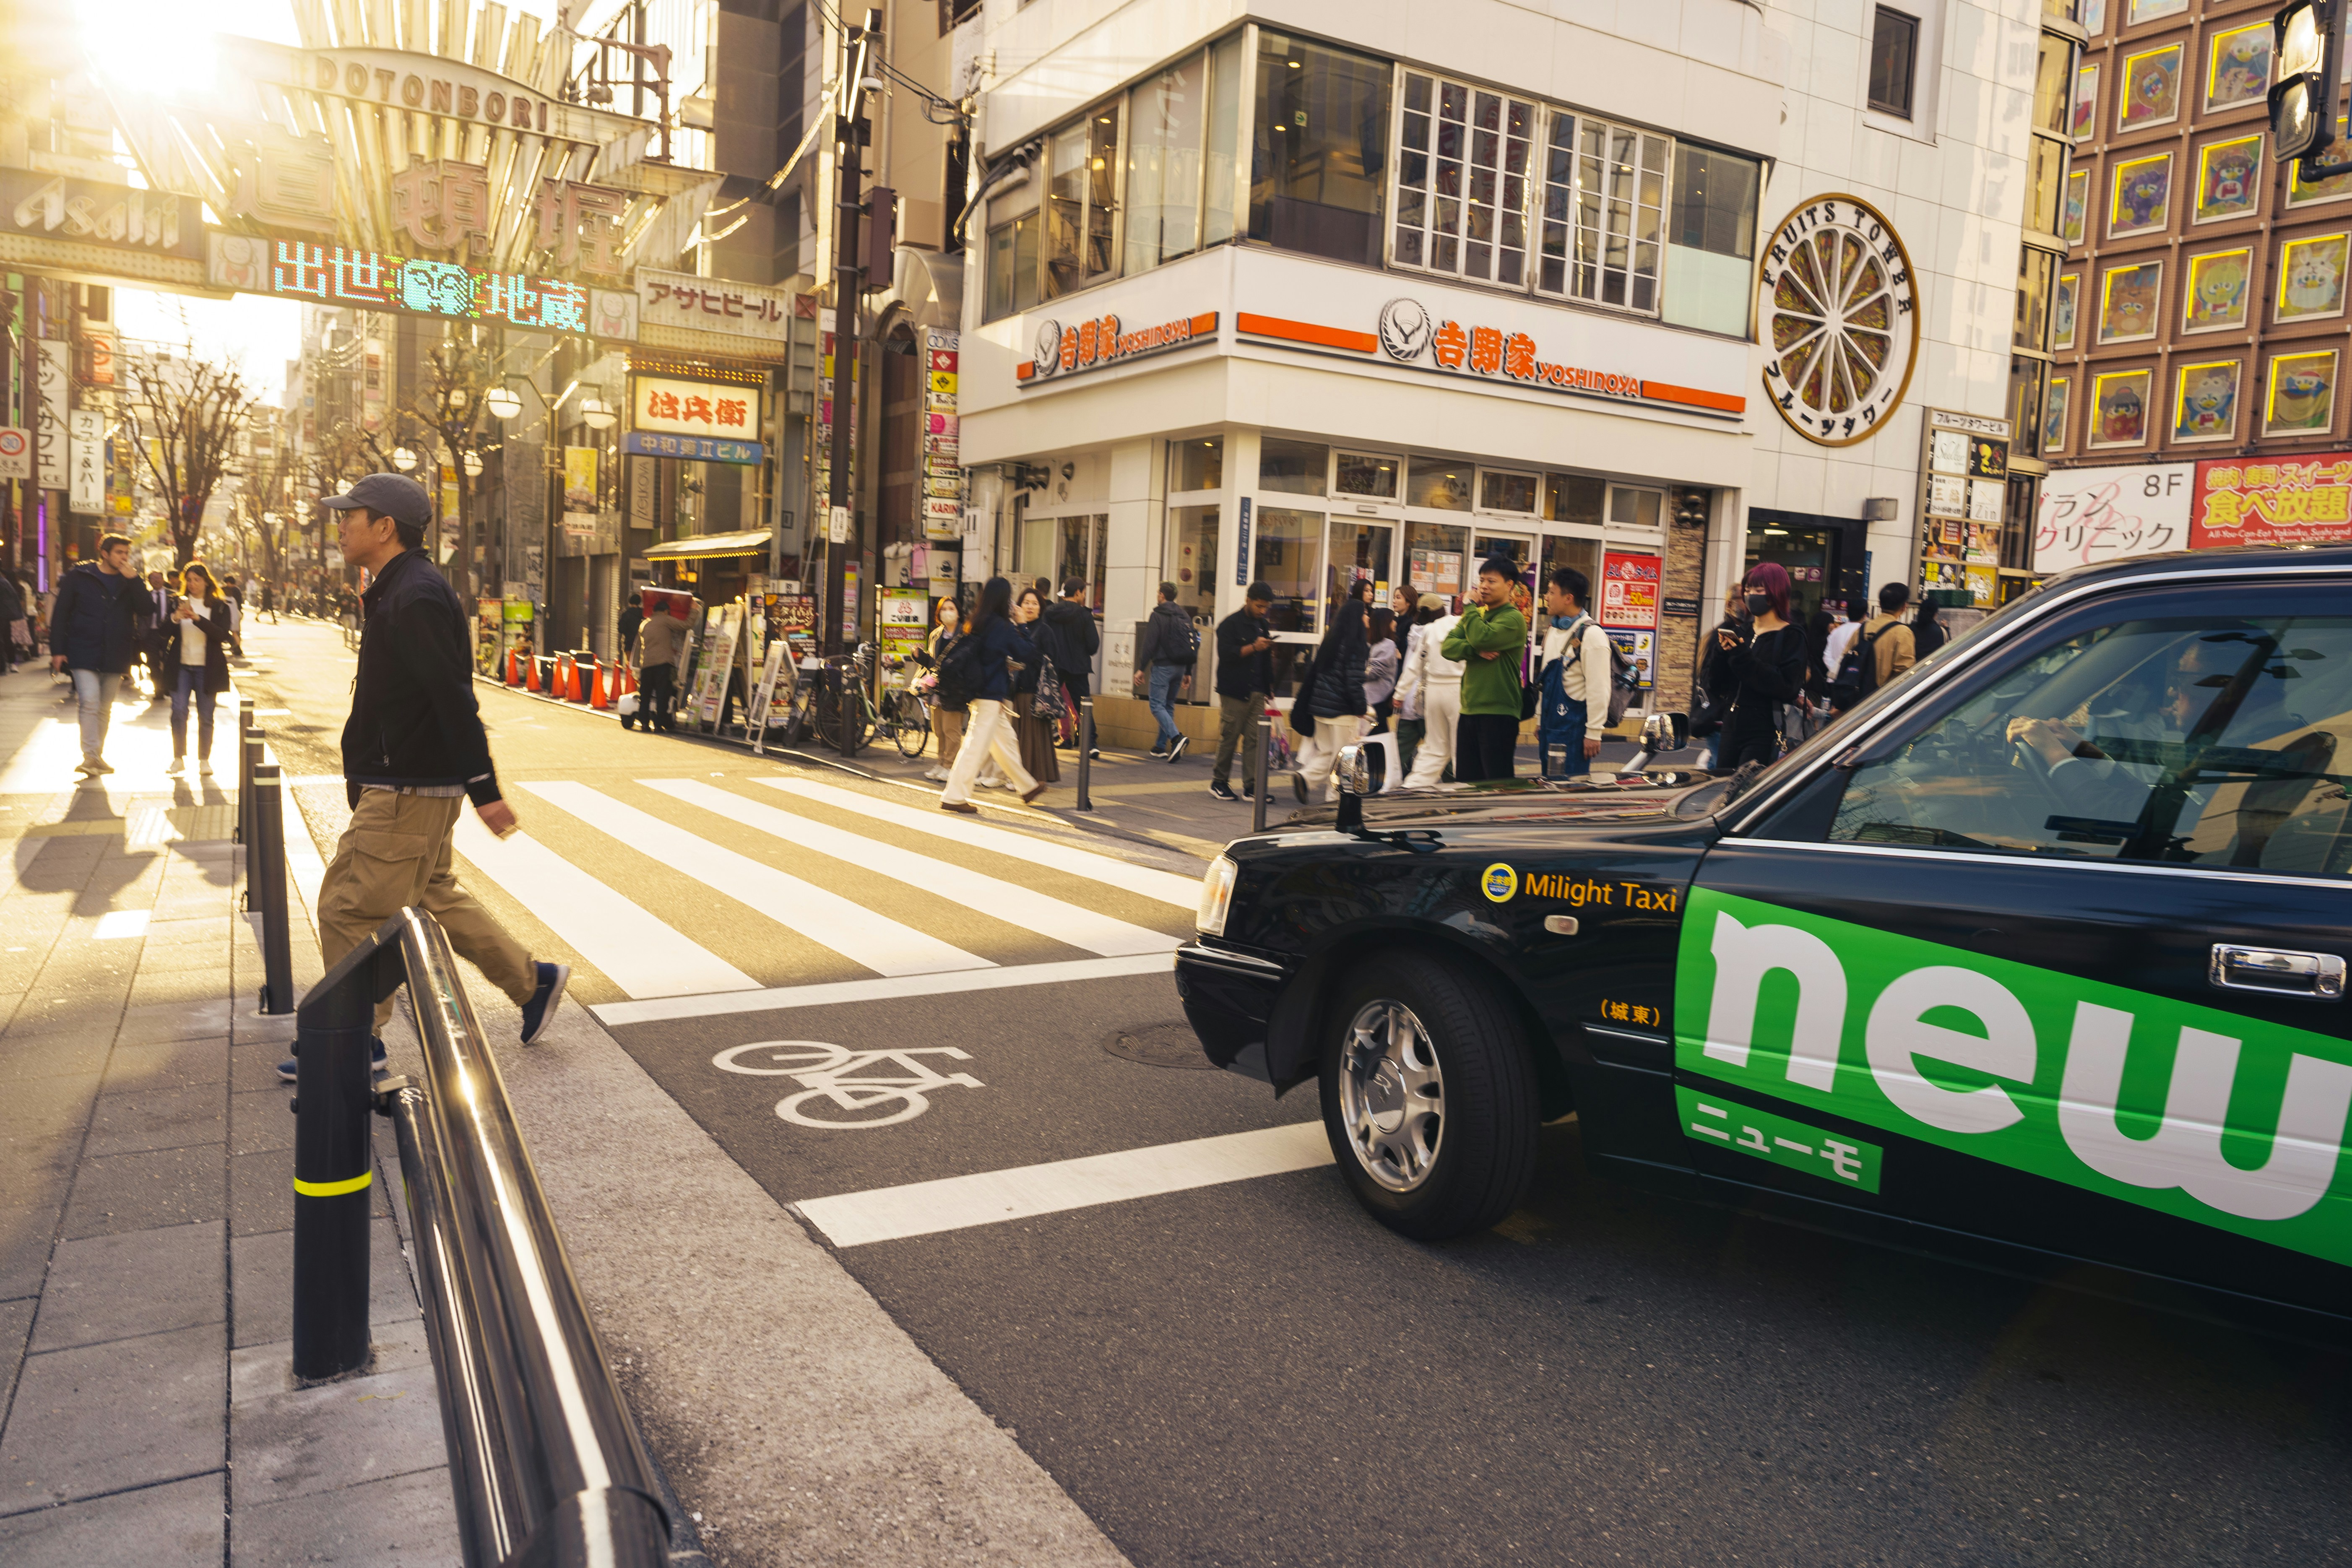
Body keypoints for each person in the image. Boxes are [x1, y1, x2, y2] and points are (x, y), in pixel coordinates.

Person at [280, 472, 568, 1083]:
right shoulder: (401, 588)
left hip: (407, 787)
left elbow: (451, 697)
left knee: (348, 907)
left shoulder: (413, 595)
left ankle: (359, 1041)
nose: (339, 525)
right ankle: (531, 981)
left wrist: (485, 789)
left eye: (349, 516)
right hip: (413, 783)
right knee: (430, 894)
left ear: (384, 528)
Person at [940, 575, 1044, 813]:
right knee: (975, 747)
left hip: (980, 691)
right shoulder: (1002, 626)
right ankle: (954, 797)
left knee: (1006, 742)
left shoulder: (976, 621)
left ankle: (1026, 786)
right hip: (990, 694)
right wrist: (1022, 625)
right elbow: (1027, 653)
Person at [49, 533, 144, 778]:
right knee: (90, 701)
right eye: (119, 553)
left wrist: (134, 580)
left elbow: (147, 610)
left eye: (126, 553)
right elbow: (61, 613)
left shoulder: (129, 580)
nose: (124, 558)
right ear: (105, 553)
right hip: (83, 649)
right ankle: (90, 755)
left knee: (105, 707)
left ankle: (96, 756)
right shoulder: (80, 576)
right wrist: (58, 650)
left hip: (116, 652)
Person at [1709, 561, 1808, 771]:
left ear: (1775, 593)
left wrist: (1742, 656)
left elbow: (1786, 687)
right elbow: (1717, 685)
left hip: (1764, 729)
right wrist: (1720, 653)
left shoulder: (1791, 635)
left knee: (1745, 791)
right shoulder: (1742, 631)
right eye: (1748, 590)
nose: (1750, 595)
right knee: (1719, 789)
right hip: (1730, 725)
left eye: (1759, 590)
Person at [1441, 555, 1530, 783]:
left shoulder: (1514, 619)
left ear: (1509, 585)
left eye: (1491, 581)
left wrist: (1470, 609)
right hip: (1470, 710)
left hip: (1499, 713)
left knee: (1496, 785)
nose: (1483, 587)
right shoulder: (1478, 616)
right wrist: (1475, 651)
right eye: (1481, 580)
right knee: (1466, 784)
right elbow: (1448, 647)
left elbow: (1483, 638)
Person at [1290, 591, 1369, 801]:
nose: (1368, 618)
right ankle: (1334, 802)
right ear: (1356, 618)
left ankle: (1305, 777)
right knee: (1342, 760)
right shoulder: (1355, 646)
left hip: (1320, 709)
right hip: (1341, 712)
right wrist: (1361, 708)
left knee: (1327, 753)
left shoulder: (1331, 641)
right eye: (1365, 614)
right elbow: (1354, 682)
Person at [1536, 566, 1613, 780]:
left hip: (1574, 730)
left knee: (1570, 793)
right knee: (1548, 786)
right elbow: (1546, 680)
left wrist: (1594, 733)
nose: (1546, 597)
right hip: (1551, 725)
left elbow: (1599, 688)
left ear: (1568, 598)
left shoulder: (1592, 635)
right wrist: (1540, 718)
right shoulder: (1554, 630)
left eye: (1551, 592)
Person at [164, 562, 232, 777]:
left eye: (197, 580)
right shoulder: (176, 603)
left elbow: (222, 635)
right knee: (179, 711)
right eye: (189, 580)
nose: (193, 584)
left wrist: (197, 619)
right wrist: (176, 617)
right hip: (181, 666)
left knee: (206, 716)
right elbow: (162, 632)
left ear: (206, 581)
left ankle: (204, 760)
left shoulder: (220, 606)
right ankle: (178, 758)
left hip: (207, 668)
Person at [1209, 582, 1275, 801]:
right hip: (1234, 691)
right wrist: (1254, 647)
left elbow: (1266, 660)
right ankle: (1219, 782)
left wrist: (1269, 687)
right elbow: (1227, 655)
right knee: (1230, 736)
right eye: (1259, 606)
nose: (1262, 611)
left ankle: (1252, 787)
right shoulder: (1230, 625)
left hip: (1257, 691)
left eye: (1266, 607)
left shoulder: (1263, 625)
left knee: (1255, 740)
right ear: (1248, 600)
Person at [1400, 595, 1465, 788]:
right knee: (1459, 748)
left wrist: (1399, 693)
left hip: (1433, 692)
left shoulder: (1427, 630)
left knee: (1435, 747)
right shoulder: (1461, 623)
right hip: (1457, 690)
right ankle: (1463, 791)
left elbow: (1414, 666)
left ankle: (1413, 785)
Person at [1038, 578, 1101, 757]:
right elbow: (1093, 646)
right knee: (1084, 705)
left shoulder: (1049, 613)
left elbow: (1043, 637)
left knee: (1045, 701)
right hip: (1078, 667)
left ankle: (1039, 739)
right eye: (1084, 592)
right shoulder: (1085, 615)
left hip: (1055, 665)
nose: (1085, 595)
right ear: (1079, 593)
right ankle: (1091, 743)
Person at [1137, 581, 1195, 760]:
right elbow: (1193, 644)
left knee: (1156, 706)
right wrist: (1188, 672)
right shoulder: (1184, 615)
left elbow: (1150, 643)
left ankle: (1177, 738)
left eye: (1158, 593)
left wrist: (1141, 669)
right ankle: (1160, 747)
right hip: (1180, 668)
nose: (1157, 595)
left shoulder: (1158, 615)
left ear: (1162, 595)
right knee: (1168, 705)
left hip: (1163, 667)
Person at [1009, 586, 1061, 787]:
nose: (1030, 607)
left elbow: (1051, 660)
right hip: (1016, 688)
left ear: (1041, 608)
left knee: (1032, 735)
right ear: (1019, 606)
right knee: (1020, 734)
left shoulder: (1045, 630)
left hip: (1034, 689)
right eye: (1026, 603)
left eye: (1035, 603)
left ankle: (1031, 777)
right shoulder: (1014, 628)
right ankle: (1029, 776)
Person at [918, 595, 965, 783]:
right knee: (938, 729)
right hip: (937, 688)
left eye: (952, 609)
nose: (948, 612)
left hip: (956, 688)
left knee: (951, 730)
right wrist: (920, 658)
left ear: (959, 612)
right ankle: (941, 762)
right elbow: (934, 663)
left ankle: (950, 765)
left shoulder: (965, 634)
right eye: (944, 609)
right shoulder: (936, 634)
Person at [635, 593, 689, 733]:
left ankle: (644, 724)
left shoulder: (644, 623)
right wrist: (695, 610)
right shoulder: (666, 620)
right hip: (663, 665)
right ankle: (659, 725)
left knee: (645, 696)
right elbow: (686, 625)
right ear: (666, 611)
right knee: (662, 695)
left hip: (646, 665)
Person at [1857, 582, 1918, 694]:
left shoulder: (1863, 628)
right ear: (1905, 607)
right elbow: (1904, 672)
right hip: (1879, 699)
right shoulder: (1903, 632)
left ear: (1880, 604)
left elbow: (1844, 657)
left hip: (1854, 696)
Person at [1363, 607, 1399, 732]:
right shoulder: (1388, 644)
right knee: (1379, 741)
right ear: (1386, 623)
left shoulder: (1375, 644)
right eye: (1393, 620)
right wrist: (1358, 674)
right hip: (1376, 701)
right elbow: (1374, 671)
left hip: (1372, 699)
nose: (1396, 623)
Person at [140, 569, 172, 703]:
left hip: (168, 633)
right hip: (151, 633)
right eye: (153, 579)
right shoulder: (145, 596)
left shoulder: (172, 596)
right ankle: (158, 690)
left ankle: (168, 687)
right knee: (152, 663)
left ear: (163, 580)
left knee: (169, 661)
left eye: (159, 578)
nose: (157, 581)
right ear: (149, 581)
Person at [1909, 592, 1948, 661]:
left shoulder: (1911, 629)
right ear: (1935, 613)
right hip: (1933, 668)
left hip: (1913, 669)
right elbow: (1948, 649)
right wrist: (1946, 629)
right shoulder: (1941, 632)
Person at [0, 566, 23, 674]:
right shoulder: (6, 583)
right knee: (7, 639)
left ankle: (3, 666)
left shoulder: (3, 583)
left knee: (3, 640)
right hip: (7, 616)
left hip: (3, 615)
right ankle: (12, 663)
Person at [617, 593, 645, 661]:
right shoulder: (643, 614)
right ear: (639, 602)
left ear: (630, 602)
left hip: (629, 644)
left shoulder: (626, 614)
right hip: (642, 645)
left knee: (630, 665)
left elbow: (621, 629)